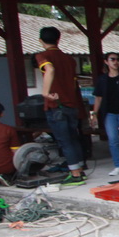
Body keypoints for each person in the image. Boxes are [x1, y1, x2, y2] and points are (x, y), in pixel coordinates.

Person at [36, 26, 86, 186]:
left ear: (40, 40)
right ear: (58, 39)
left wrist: (45, 92)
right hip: (72, 105)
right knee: (73, 138)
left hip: (57, 105)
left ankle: (75, 174)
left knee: (65, 141)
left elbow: (49, 69)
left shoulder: (43, 56)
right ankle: (80, 168)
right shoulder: (69, 59)